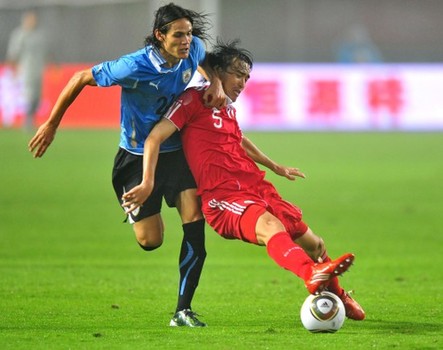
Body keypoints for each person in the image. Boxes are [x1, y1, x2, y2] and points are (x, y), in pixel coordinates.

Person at [122, 40, 366, 321]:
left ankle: (339, 295)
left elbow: (238, 139)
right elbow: (155, 137)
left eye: (247, 77)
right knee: (271, 227)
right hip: (223, 197)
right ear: (217, 72)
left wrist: (274, 166)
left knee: (315, 245)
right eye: (238, 74)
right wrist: (147, 182)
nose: (243, 82)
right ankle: (310, 275)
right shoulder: (192, 101)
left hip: (255, 188)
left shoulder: (226, 107)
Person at [28, 3, 227, 327]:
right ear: (159, 36)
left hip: (175, 151)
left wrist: (214, 81)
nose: (186, 41)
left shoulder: (194, 50)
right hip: (134, 157)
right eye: (178, 35)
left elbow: (204, 60)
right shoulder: (132, 66)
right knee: (151, 241)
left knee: (194, 219)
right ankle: (149, 211)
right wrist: (51, 124)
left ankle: (183, 310)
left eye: (189, 33)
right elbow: (80, 78)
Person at [6, 9, 49, 131]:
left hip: (39, 70)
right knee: (29, 95)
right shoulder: (20, 35)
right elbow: (14, 53)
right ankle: (27, 120)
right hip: (26, 70)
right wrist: (13, 68)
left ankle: (32, 118)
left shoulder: (40, 35)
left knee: (37, 97)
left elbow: (46, 53)